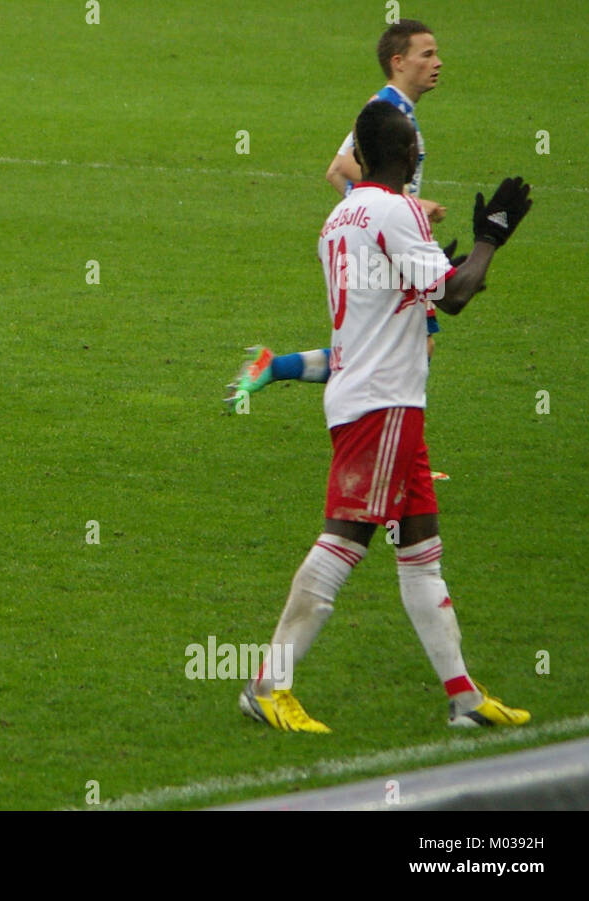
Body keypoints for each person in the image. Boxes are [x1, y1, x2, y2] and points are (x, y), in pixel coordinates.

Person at [238, 99, 532, 733]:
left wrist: (429, 265)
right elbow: (452, 297)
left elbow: (378, 308)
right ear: (411, 156)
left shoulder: (337, 219)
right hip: (384, 404)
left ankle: (464, 697)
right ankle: (266, 684)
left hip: (371, 398)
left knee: (422, 551)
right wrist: (492, 237)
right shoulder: (398, 210)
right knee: (345, 541)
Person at [228, 20, 452, 403]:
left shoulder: (391, 108)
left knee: (406, 347)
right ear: (399, 62)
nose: (438, 62)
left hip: (381, 239)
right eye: (427, 54)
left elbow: (339, 172)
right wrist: (407, 207)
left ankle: (275, 366)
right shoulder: (386, 110)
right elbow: (343, 166)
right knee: (406, 350)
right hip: (387, 242)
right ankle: (403, 453)